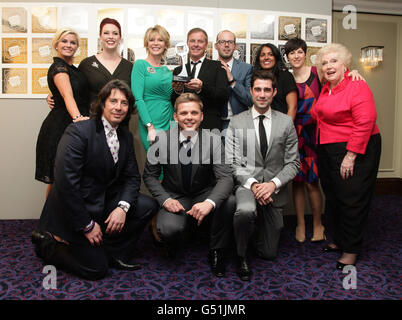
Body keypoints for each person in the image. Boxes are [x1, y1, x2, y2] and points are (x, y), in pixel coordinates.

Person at [32, 80, 158, 280]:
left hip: (102, 202)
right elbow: (66, 184)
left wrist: (122, 208)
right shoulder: (79, 131)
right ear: (102, 104)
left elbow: (132, 177)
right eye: (113, 101)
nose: (118, 107)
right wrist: (87, 225)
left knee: (146, 205)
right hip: (74, 210)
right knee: (96, 269)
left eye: (124, 103)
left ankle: (112, 252)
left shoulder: (125, 136)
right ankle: (47, 244)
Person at [143, 93, 235, 278]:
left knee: (230, 201)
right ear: (176, 117)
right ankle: (178, 239)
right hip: (175, 196)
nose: (189, 117)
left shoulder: (214, 140)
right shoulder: (162, 140)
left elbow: (225, 178)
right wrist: (165, 200)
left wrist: (209, 202)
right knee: (169, 230)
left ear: (202, 116)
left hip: (203, 193)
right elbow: (150, 176)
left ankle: (217, 250)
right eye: (184, 113)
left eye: (194, 112)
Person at [311, 43, 381, 270]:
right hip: (328, 147)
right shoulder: (326, 86)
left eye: (334, 61)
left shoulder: (357, 85)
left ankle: (351, 250)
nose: (328, 66)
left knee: (352, 198)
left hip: (355, 148)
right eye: (324, 63)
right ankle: (341, 240)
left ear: (345, 65)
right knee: (334, 195)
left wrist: (350, 155)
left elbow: (365, 121)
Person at [226, 70, 300, 281]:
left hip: (274, 190)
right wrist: (254, 185)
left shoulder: (285, 122)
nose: (262, 94)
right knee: (246, 211)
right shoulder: (237, 122)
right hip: (247, 185)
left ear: (274, 92)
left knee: (268, 253)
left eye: (267, 90)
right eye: (257, 89)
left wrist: (273, 185)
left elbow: (294, 162)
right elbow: (232, 162)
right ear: (250, 91)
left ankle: (255, 232)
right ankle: (241, 254)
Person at [35, 28, 89, 197]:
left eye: (73, 42)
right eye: (64, 41)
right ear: (56, 44)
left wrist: (52, 96)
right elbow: (67, 95)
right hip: (60, 128)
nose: (68, 45)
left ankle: (59, 219)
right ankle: (49, 220)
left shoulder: (73, 69)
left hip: (71, 127)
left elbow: (72, 93)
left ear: (77, 47)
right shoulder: (59, 66)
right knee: (58, 179)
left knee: (69, 179)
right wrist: (78, 118)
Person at [172, 28, 229, 130]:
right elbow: (174, 102)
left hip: (210, 125)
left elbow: (223, 96)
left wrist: (202, 88)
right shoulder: (179, 70)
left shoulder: (218, 67)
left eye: (200, 41)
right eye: (192, 41)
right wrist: (178, 91)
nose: (196, 44)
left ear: (206, 45)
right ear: (187, 44)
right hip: (185, 126)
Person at [131, 25, 174, 151]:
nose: (156, 43)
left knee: (169, 166)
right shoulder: (140, 65)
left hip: (170, 120)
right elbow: (138, 99)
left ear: (166, 44)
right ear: (146, 43)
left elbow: (172, 97)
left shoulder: (167, 70)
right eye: (152, 40)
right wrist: (149, 126)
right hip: (151, 123)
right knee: (156, 163)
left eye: (160, 40)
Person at [214, 30, 253, 131]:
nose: (226, 45)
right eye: (222, 42)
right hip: (214, 123)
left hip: (239, 123)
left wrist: (232, 80)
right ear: (216, 46)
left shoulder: (246, 68)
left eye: (230, 42)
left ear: (235, 46)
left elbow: (250, 100)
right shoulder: (208, 67)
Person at [253, 43, 297, 120]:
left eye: (270, 54)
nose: (266, 58)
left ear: (276, 57)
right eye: (262, 55)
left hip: (280, 125)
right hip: (260, 125)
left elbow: (293, 107)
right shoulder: (255, 78)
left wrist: (285, 129)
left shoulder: (286, 76)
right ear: (259, 59)